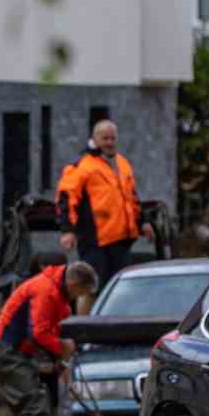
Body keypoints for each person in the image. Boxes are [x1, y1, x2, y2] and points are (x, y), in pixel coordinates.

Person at [0, 261, 99, 416]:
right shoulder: (45, 291)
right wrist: (62, 347)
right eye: (82, 294)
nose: (80, 298)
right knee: (36, 411)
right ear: (74, 285)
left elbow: (48, 331)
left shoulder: (58, 296)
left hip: (22, 353)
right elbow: (39, 333)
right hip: (7, 352)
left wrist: (59, 362)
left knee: (45, 409)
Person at [57, 120, 155, 290]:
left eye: (112, 138)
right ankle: (87, 317)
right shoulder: (83, 165)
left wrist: (143, 222)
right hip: (95, 240)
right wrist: (67, 230)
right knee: (91, 286)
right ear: (94, 139)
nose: (109, 142)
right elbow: (66, 197)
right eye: (105, 138)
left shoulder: (122, 163)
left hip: (121, 239)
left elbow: (131, 197)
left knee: (120, 288)